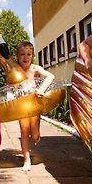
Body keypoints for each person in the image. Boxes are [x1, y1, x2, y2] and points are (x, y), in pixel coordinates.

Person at [16, 41, 55, 171]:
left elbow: (50, 76)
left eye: (28, 54)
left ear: (32, 55)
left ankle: (37, 136)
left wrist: (42, 89)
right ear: (17, 55)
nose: (25, 57)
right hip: (22, 106)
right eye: (22, 54)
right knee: (24, 132)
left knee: (34, 134)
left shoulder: (35, 69)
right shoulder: (16, 70)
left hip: (35, 105)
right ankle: (26, 159)